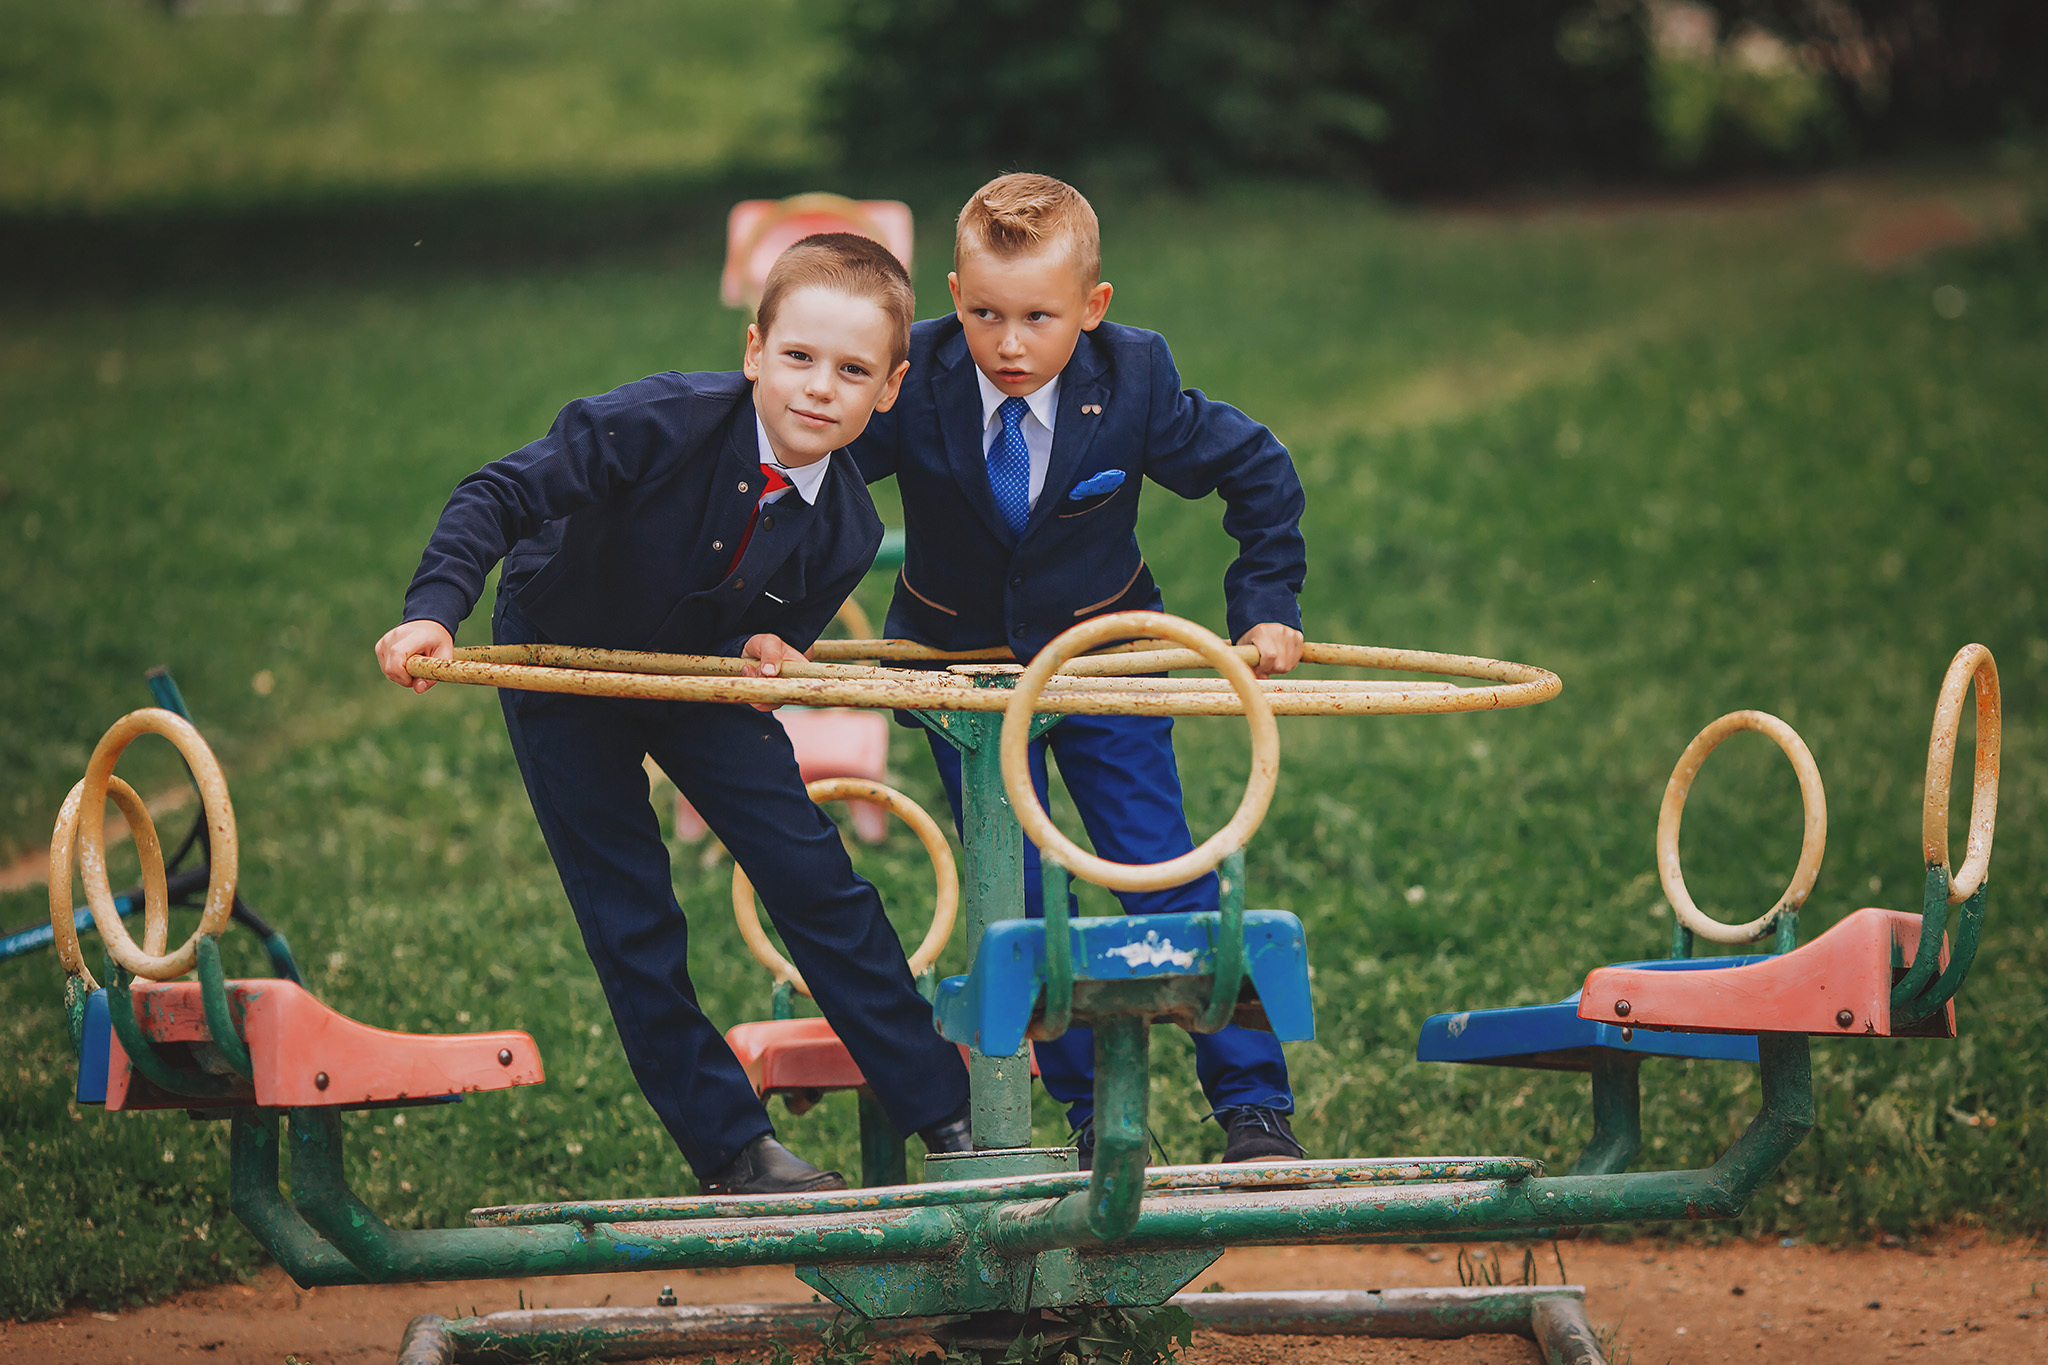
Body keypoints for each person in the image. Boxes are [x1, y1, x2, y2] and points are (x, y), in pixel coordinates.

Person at [375, 234, 972, 1195]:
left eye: (853, 370)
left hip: (699, 676)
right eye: (799, 358)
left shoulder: (850, 525)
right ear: (753, 352)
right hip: (564, 662)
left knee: (813, 873)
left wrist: (776, 653)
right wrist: (432, 612)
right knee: (630, 908)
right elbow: (499, 491)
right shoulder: (658, 421)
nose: (820, 388)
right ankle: (733, 1147)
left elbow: (778, 626)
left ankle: (946, 1111)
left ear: (889, 389)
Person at [847, 173, 1309, 1166]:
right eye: (982, 314)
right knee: (1010, 897)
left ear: (1091, 308)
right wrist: (773, 610)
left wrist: (1265, 603)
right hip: (960, 674)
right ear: (952, 294)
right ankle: (1095, 1116)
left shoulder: (1132, 375)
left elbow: (1256, 468)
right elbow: (820, 472)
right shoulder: (912, 372)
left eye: (1037, 318)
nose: (1008, 345)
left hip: (1106, 661)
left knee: (1160, 872)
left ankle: (1252, 1107)